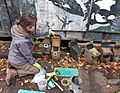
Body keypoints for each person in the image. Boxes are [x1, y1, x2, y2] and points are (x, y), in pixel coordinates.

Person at [6, 12, 54, 85]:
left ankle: (11, 63)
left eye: (34, 25)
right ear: (26, 27)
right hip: (18, 60)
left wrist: (48, 32)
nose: (34, 27)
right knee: (36, 70)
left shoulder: (19, 28)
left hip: (14, 55)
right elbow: (27, 55)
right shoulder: (22, 42)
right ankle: (14, 72)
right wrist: (34, 63)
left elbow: (36, 32)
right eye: (32, 26)